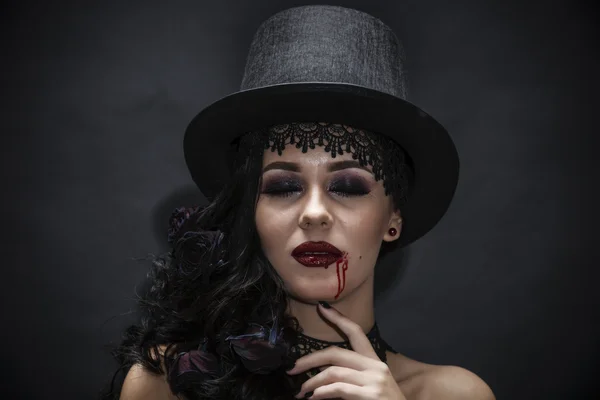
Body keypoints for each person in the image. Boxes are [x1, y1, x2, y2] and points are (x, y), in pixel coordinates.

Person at [100, 5, 496, 400]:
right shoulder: (168, 384)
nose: (314, 213)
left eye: (348, 187)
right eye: (283, 187)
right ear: (249, 211)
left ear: (393, 217)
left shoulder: (453, 394)